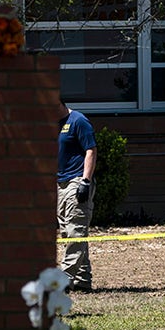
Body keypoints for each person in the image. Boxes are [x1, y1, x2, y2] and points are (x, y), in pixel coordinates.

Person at [58, 101, 97, 292]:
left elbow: (91, 149)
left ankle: (63, 280)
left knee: (76, 232)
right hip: (59, 184)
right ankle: (82, 279)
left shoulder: (78, 120)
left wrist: (85, 181)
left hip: (76, 181)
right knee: (68, 232)